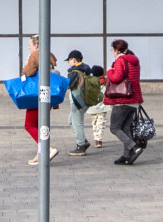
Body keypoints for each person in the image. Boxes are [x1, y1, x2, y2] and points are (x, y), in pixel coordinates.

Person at [18, 35, 62, 165]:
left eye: (30, 44)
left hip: (36, 95)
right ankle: (40, 153)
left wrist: (25, 67)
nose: (29, 46)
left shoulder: (35, 55)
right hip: (47, 94)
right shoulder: (49, 55)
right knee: (40, 125)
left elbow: (29, 72)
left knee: (29, 124)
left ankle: (48, 148)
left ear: (36, 45)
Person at [103, 38, 146, 165]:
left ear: (117, 50)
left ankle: (134, 147)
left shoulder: (120, 60)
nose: (112, 52)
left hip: (122, 100)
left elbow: (116, 78)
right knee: (125, 128)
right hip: (133, 100)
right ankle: (126, 156)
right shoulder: (134, 61)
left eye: (113, 50)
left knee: (114, 128)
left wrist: (109, 71)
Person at [65, 51, 104, 156]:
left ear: (74, 60)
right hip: (84, 100)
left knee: (77, 123)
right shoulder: (86, 69)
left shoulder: (75, 71)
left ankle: (80, 146)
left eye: (69, 60)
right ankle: (84, 141)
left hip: (78, 101)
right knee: (71, 121)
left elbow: (68, 84)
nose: (68, 63)